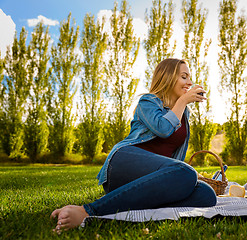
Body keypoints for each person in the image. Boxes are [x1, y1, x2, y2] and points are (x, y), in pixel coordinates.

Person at [51, 58, 217, 231]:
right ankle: (89, 211)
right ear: (167, 77)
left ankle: (132, 202)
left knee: (206, 195)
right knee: (186, 172)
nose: (190, 82)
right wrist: (182, 101)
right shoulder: (149, 102)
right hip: (123, 163)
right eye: (184, 76)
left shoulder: (184, 115)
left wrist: (179, 177)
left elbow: (174, 158)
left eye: (189, 77)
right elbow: (163, 129)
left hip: (153, 177)